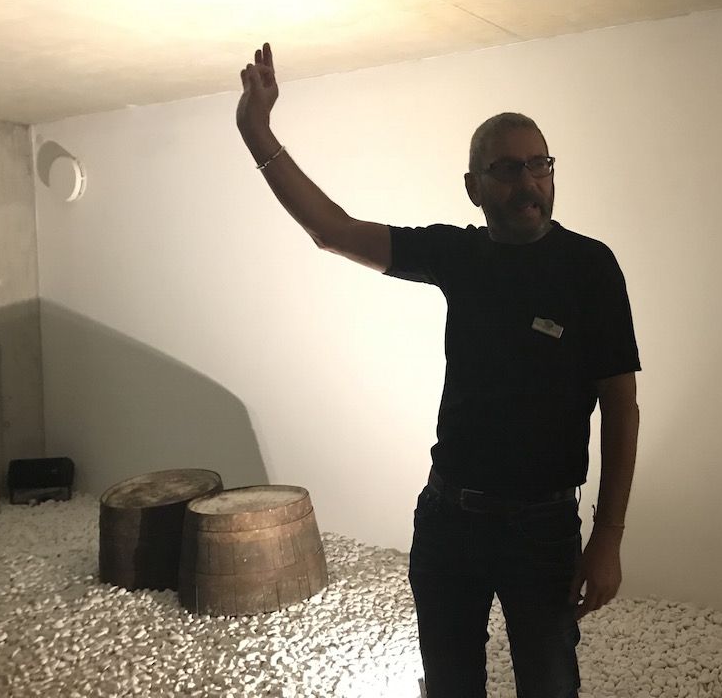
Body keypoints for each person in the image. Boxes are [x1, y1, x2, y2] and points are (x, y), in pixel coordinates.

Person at [237, 43, 641, 698]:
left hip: (543, 529)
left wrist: (609, 536)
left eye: (539, 164)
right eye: (506, 169)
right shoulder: (459, 255)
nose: (528, 182)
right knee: (451, 685)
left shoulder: (589, 267)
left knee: (549, 684)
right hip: (450, 520)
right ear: (473, 187)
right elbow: (333, 230)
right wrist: (257, 132)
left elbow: (621, 407)